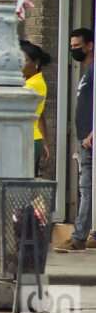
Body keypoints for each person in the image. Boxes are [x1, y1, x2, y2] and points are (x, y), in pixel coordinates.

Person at [56, 28, 96, 252]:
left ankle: (79, 236)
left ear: (90, 45)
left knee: (87, 188)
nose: (74, 51)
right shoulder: (87, 70)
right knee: (88, 188)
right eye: (71, 47)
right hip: (85, 139)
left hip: (90, 139)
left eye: (77, 46)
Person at [20, 40, 51, 176]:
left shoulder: (33, 85)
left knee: (24, 184)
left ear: (36, 63)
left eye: (25, 60)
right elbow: (41, 116)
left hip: (28, 139)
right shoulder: (29, 81)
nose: (20, 65)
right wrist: (45, 140)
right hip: (29, 137)